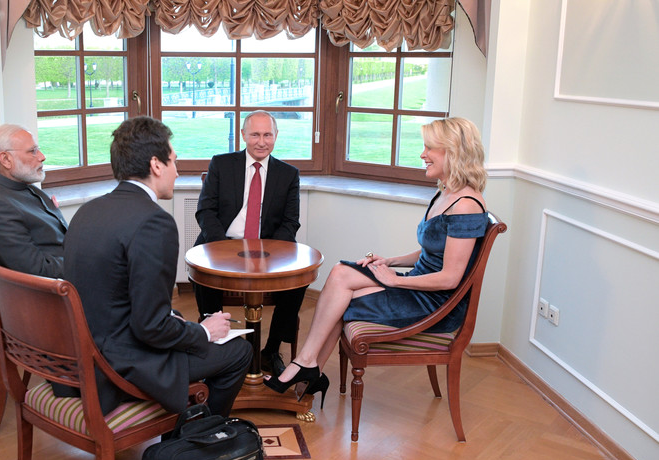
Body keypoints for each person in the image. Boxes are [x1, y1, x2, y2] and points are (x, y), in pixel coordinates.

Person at [264, 117, 490, 409]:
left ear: (454, 152)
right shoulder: (446, 193)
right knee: (341, 274)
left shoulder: (467, 206)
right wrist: (391, 260)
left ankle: (306, 367)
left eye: (429, 147)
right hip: (417, 288)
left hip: (434, 303)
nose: (422, 154)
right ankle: (309, 369)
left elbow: (450, 278)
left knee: (340, 295)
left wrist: (396, 279)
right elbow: (431, 252)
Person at [63, 116, 252, 417]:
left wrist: (184, 325)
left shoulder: (87, 211)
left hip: (81, 354)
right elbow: (150, 327)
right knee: (239, 351)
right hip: (119, 366)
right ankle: (195, 440)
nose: (177, 173)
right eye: (174, 162)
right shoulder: (154, 222)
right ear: (155, 165)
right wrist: (203, 332)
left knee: (184, 324)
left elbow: (121, 299)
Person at [193, 110, 305, 376]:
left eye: (267, 134)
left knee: (298, 282)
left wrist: (268, 256)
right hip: (222, 243)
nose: (261, 141)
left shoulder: (289, 174)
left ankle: (270, 351)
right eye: (255, 134)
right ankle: (219, 346)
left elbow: (290, 223)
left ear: (276, 136)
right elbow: (205, 212)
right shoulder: (221, 164)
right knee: (203, 276)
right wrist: (223, 250)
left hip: (268, 249)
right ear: (243, 135)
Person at [0, 124, 68, 278]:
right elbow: (37, 270)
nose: (42, 156)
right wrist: (86, 263)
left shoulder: (20, 187)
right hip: (55, 294)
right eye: (33, 151)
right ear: (5, 159)